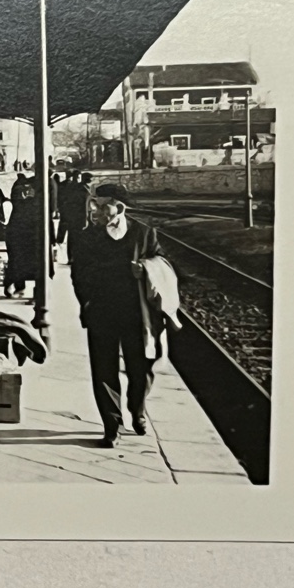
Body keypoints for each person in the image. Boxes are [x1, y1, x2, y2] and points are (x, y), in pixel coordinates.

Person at [70, 183, 167, 448]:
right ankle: (111, 425)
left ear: (120, 208)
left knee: (141, 368)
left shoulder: (144, 234)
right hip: (101, 310)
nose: (96, 211)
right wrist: (87, 302)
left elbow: (162, 265)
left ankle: (137, 410)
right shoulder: (86, 237)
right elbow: (78, 274)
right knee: (103, 369)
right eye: (95, 205)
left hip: (137, 313)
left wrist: (145, 269)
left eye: (103, 206)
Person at [4, 172, 42, 298]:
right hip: (25, 235)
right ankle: (22, 288)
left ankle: (17, 287)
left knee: (16, 262)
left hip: (19, 234)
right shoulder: (33, 203)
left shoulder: (25, 200)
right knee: (28, 263)